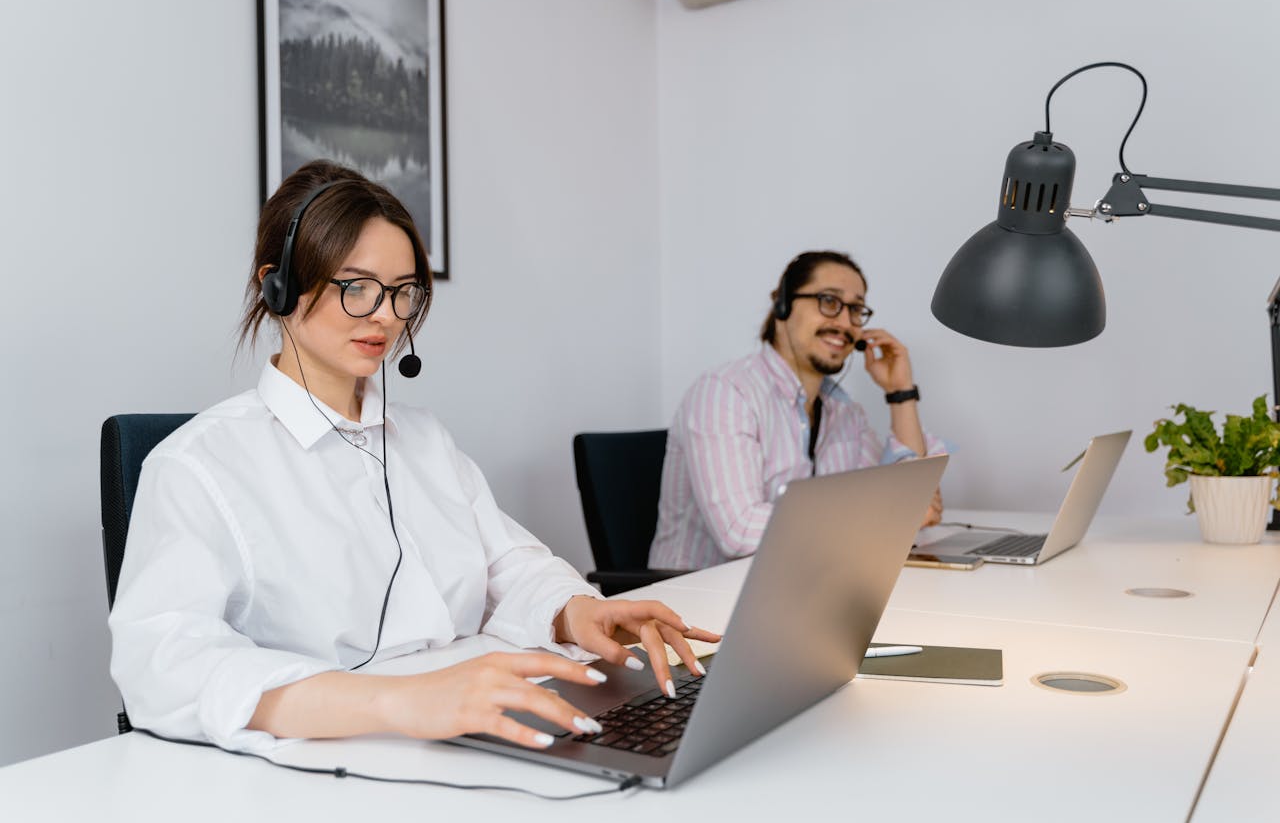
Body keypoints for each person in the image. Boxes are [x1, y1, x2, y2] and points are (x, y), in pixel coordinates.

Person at [109, 160, 718, 754]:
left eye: (402, 292)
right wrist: (399, 702)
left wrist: (575, 611)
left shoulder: (423, 440)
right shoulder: (199, 465)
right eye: (357, 288)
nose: (385, 315)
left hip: (483, 724)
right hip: (345, 755)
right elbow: (164, 665)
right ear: (279, 287)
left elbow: (508, 565)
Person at [648, 250, 946, 571]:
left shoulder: (846, 413)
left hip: (799, 583)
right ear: (783, 305)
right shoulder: (726, 393)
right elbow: (739, 532)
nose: (845, 323)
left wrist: (899, 392)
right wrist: (879, 514)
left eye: (856, 309)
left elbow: (914, 498)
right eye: (829, 302)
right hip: (696, 598)